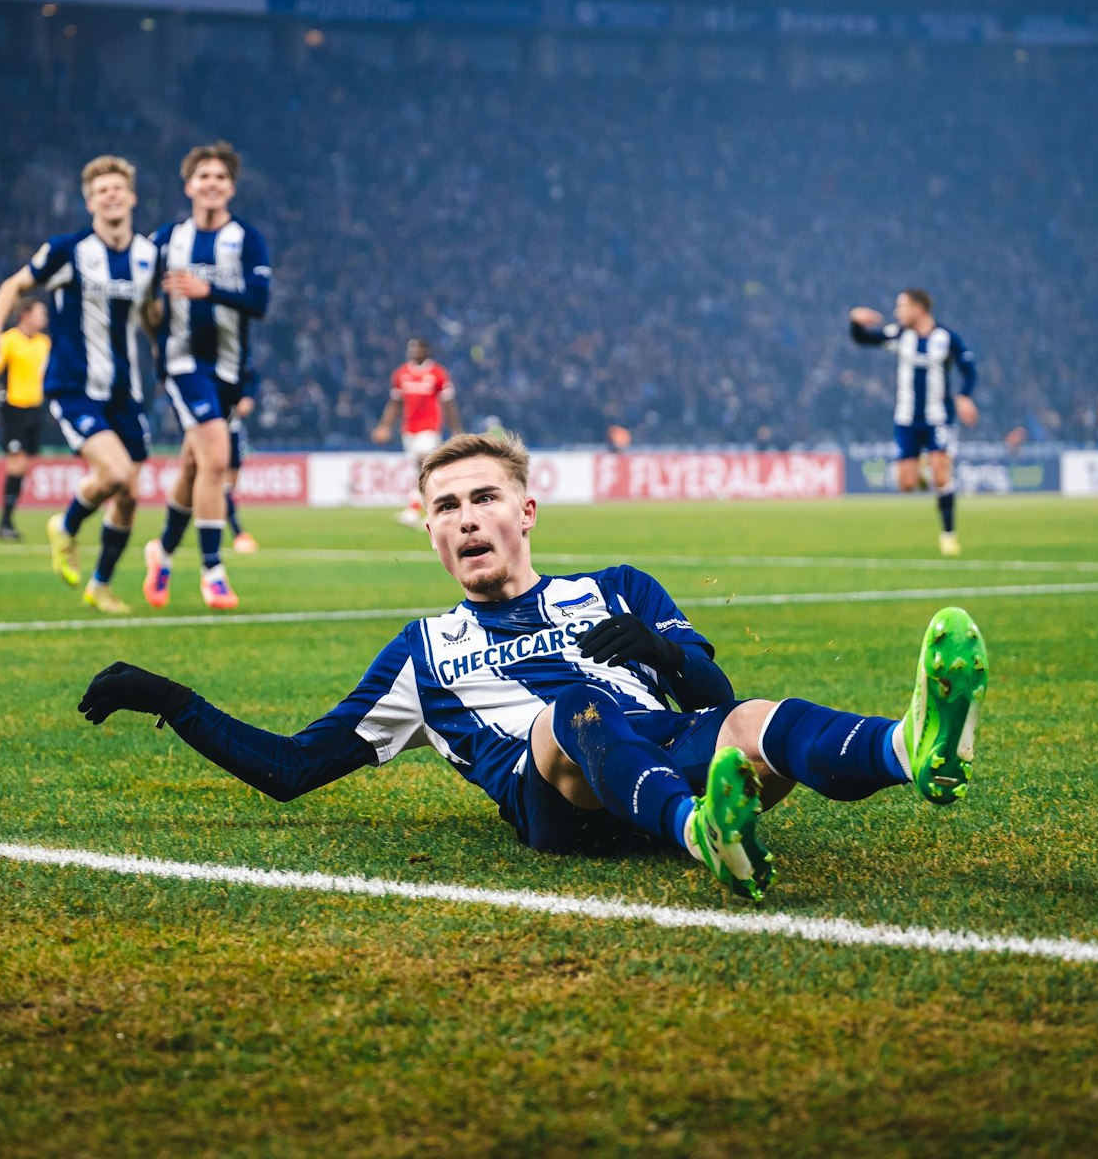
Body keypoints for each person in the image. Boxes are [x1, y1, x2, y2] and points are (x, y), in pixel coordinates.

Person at [80, 432, 989, 902]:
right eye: (446, 506)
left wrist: (667, 650)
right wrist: (169, 698)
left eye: (483, 498)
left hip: (673, 746)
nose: (466, 517)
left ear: (527, 511)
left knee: (756, 717)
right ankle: (698, 832)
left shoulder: (615, 585)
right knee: (576, 710)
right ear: (430, 529)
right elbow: (293, 770)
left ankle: (915, 749)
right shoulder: (422, 650)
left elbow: (709, 694)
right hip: (560, 794)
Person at [0, 155, 157, 612]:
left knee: (130, 495)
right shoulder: (67, 250)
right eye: (101, 190)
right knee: (112, 475)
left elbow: (151, 316)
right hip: (74, 385)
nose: (111, 195)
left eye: (118, 188)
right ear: (90, 200)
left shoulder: (149, 256)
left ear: (131, 197)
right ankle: (66, 525)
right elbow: (15, 286)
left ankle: (100, 584)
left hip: (125, 392)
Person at [143, 142, 272, 612]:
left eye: (220, 177)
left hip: (228, 369)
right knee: (216, 457)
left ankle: (161, 552)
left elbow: (258, 303)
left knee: (195, 466)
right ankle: (213, 571)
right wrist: (152, 312)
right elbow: (143, 299)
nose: (212, 184)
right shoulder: (165, 240)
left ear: (231, 188)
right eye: (204, 177)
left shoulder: (247, 239)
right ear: (189, 186)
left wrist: (207, 290)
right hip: (181, 364)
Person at [849, 290, 979, 556]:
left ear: (919, 309)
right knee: (906, 486)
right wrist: (855, 321)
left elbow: (969, 369)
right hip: (906, 419)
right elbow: (864, 339)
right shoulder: (899, 334)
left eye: (902, 306)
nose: (897, 311)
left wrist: (964, 395)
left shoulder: (946, 338)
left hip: (938, 418)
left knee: (942, 476)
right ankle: (921, 466)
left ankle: (948, 535)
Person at [0, 298, 52, 541]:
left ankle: (6, 520)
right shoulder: (7, 340)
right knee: (16, 463)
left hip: (35, 409)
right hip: (13, 408)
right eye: (41, 313)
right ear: (25, 314)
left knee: (24, 465)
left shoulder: (45, 343)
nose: (45, 318)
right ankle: (5, 521)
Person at [373, 337, 464, 527]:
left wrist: (455, 429)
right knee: (421, 473)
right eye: (411, 348)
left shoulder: (438, 374)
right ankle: (429, 510)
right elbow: (395, 404)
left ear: (426, 351)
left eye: (417, 348)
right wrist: (385, 426)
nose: (413, 352)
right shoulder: (401, 374)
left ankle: (417, 510)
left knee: (425, 467)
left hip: (429, 428)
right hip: (409, 431)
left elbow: (449, 404)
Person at [226, 361, 261, 555]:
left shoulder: (237, 356)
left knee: (228, 486)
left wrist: (248, 396)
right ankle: (238, 534)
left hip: (232, 426)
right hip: (210, 426)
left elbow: (252, 375)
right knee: (218, 483)